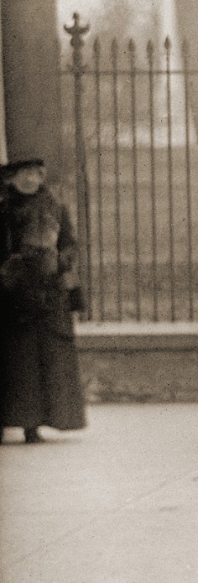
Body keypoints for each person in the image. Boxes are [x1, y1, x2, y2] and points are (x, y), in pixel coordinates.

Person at [0, 157, 86, 442]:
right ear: (11, 178)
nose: (30, 180)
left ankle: (36, 424)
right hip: (13, 294)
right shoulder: (4, 207)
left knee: (47, 358)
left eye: (35, 174)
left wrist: (61, 263)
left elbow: (69, 243)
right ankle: (17, 420)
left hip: (50, 294)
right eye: (24, 174)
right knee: (18, 361)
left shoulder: (55, 207)